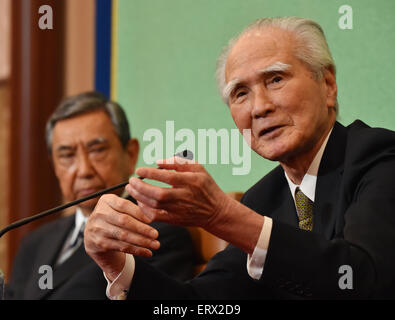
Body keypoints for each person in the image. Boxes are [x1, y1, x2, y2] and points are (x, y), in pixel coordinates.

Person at [84, 17, 395, 299]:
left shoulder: (380, 157)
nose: (259, 107)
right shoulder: (264, 198)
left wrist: (222, 216)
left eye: (275, 79)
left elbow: (363, 280)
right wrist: (117, 266)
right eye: (240, 93)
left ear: (328, 85)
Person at [5, 91, 195, 300]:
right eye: (67, 155)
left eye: (97, 150)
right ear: (54, 166)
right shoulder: (35, 242)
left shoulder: (155, 234)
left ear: (130, 154)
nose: (84, 170)